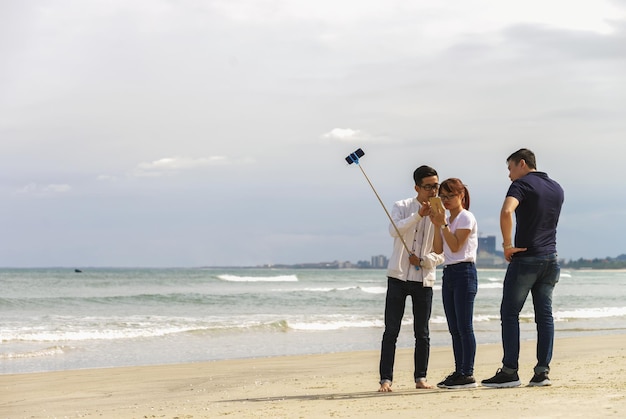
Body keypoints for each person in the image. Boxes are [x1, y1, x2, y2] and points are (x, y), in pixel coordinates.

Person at [482, 148, 564, 388]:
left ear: (522, 163)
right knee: (544, 316)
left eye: (510, 168)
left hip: (527, 258)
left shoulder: (521, 185)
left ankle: (510, 371)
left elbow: (507, 211)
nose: (509, 175)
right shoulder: (557, 187)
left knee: (509, 313)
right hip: (551, 259)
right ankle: (542, 372)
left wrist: (507, 245)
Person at [378, 165, 445, 392]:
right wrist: (418, 216)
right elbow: (393, 231)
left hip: (424, 279)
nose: (433, 191)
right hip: (398, 276)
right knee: (391, 330)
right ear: (417, 187)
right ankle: (385, 380)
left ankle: (421, 378)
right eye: (428, 187)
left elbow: (443, 251)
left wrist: (425, 260)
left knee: (422, 332)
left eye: (436, 185)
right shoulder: (403, 206)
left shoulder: (441, 211)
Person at [429, 178, 479, 389]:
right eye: (443, 196)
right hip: (449, 272)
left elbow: (457, 246)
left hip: (464, 271)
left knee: (464, 326)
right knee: (454, 328)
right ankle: (459, 371)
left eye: (451, 195)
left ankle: (467, 373)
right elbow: (438, 249)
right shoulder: (447, 220)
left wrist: (443, 224)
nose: (447, 200)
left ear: (461, 195)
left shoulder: (466, 217)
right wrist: (436, 224)